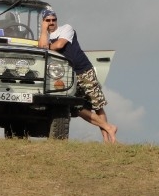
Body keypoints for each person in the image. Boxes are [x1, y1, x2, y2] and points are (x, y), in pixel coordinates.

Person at [38, 9, 118, 143]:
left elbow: (59, 44)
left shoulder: (66, 28)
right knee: (76, 108)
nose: (51, 23)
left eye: (53, 20)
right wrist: (43, 30)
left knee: (97, 105)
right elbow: (41, 46)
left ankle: (108, 140)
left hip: (84, 71)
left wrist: (46, 46)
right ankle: (109, 128)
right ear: (43, 22)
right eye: (48, 20)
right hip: (69, 76)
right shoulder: (45, 35)